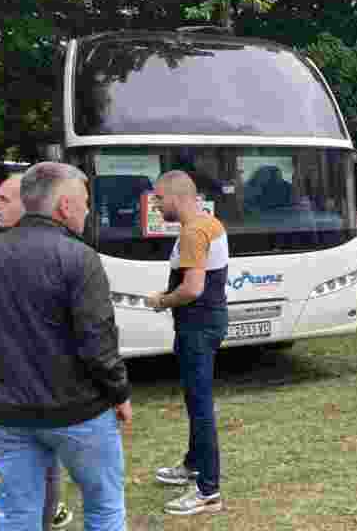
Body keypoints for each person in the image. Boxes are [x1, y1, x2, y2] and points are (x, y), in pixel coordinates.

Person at [0, 162, 131, 530]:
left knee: (16, 515)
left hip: (9, 413)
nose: (89, 210)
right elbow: (98, 340)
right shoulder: (79, 257)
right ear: (65, 207)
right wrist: (119, 393)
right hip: (80, 412)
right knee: (104, 508)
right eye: (86, 202)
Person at [0, 173, 75, 530]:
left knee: (40, 461)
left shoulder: (55, 251)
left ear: (28, 203)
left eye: (3, 199)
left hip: (36, 385)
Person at [144, 170, 229, 516]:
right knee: (198, 400)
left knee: (200, 406)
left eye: (159, 199)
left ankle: (208, 490)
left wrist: (161, 300)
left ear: (177, 198)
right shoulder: (210, 222)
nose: (157, 205)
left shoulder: (194, 232)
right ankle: (193, 465)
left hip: (198, 326)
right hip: (206, 322)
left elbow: (192, 289)